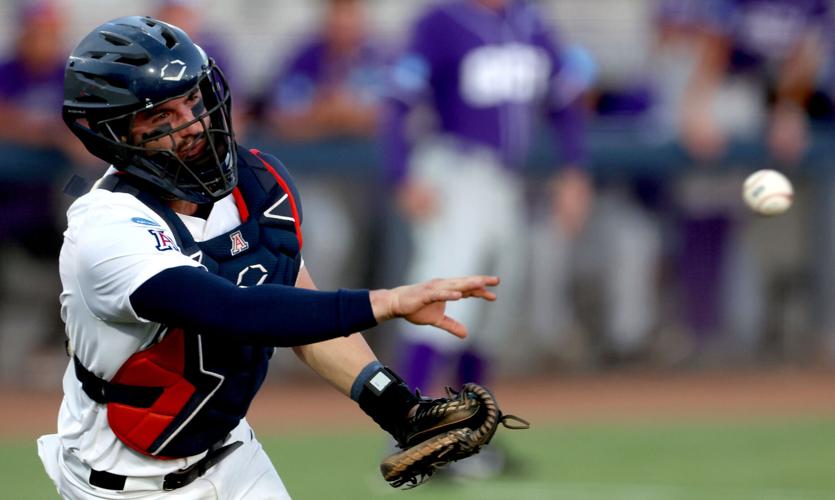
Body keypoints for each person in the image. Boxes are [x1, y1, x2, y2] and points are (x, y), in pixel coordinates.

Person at [36, 16, 502, 499]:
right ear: (116, 133)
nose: (193, 124)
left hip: (232, 452)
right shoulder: (105, 227)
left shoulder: (254, 185)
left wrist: (396, 405)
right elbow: (232, 312)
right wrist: (385, 302)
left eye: (193, 100)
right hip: (123, 481)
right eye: (161, 117)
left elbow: (296, 304)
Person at [663, 0, 828, 362]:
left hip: (755, 94)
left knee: (735, 217)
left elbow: (806, 52)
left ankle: (721, 331)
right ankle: (692, 327)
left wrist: (789, 108)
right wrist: (697, 105)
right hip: (706, 82)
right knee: (702, 205)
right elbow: (713, 41)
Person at [0, 0, 102, 385]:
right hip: (14, 209)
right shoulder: (8, 72)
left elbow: (83, 142)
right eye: (36, 30)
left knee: (76, 256)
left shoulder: (73, 73)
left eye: (50, 30)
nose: (43, 39)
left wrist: (59, 133)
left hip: (60, 202)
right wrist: (45, 131)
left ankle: (61, 350)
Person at [259, 0, 388, 290]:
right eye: (337, 10)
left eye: (350, 10)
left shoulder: (379, 54)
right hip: (313, 176)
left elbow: (388, 118)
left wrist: (333, 114)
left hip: (373, 183)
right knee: (330, 239)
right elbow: (283, 122)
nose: (343, 19)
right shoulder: (305, 54)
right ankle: (315, 321)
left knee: (384, 254)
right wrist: (331, 112)